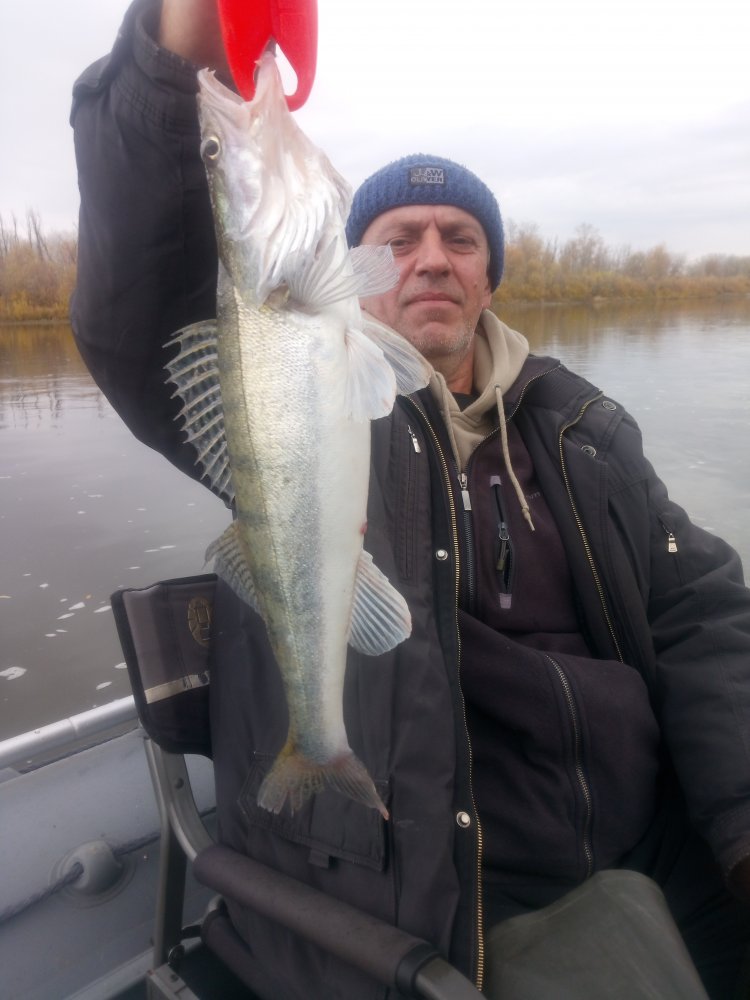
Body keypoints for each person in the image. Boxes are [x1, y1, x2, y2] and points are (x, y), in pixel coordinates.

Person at [70, 1, 750, 996]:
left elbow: (702, 615)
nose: (433, 256)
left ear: (489, 277)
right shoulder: (315, 392)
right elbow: (132, 309)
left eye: (461, 238)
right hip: (444, 887)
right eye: (400, 238)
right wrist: (178, 49)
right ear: (357, 272)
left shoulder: (583, 428)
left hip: (656, 843)